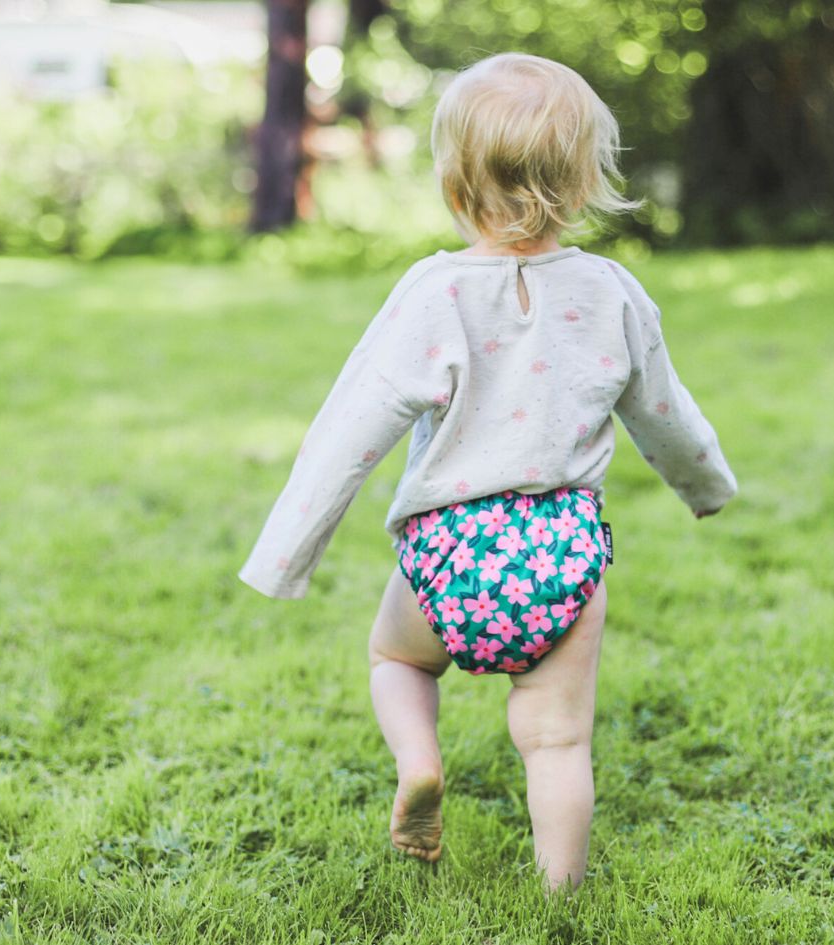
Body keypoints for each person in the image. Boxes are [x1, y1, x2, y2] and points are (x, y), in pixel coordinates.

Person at [238, 52, 737, 892]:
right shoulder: (610, 292)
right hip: (562, 552)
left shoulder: (432, 291)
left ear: (453, 181)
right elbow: (665, 414)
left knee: (396, 662)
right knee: (555, 739)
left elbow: (348, 430)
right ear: (581, 182)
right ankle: (558, 893)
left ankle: (420, 763)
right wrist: (706, 485)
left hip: (449, 547)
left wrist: (283, 555)